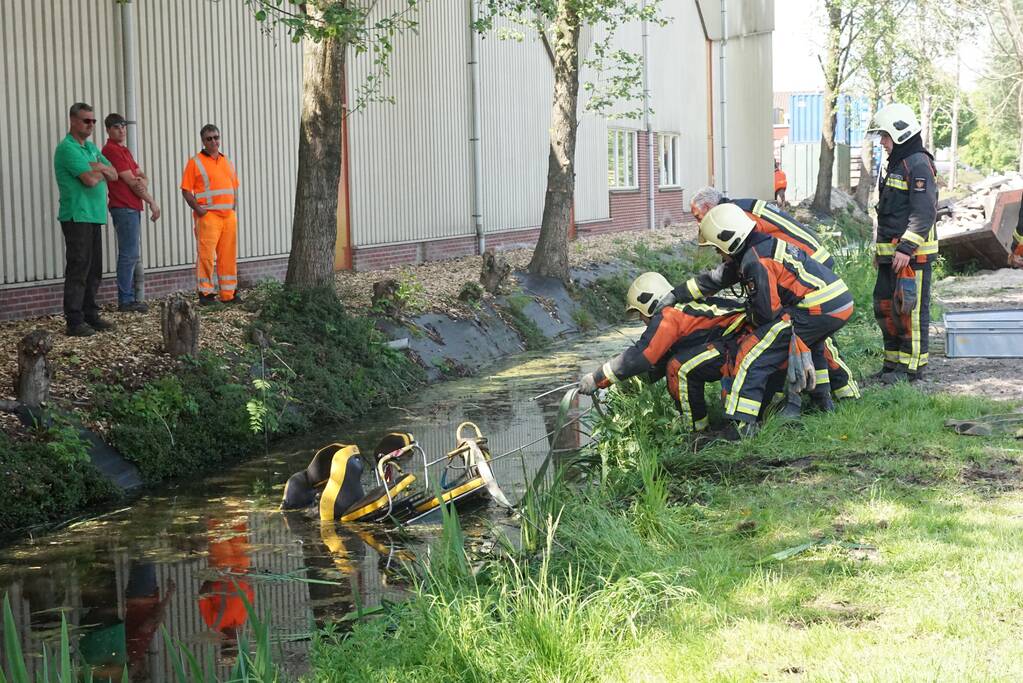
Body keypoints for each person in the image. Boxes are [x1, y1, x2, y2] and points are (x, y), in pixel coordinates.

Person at [667, 186, 860, 400]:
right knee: (809, 337)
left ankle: (815, 395)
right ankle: (825, 397)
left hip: (806, 270)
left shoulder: (736, 219)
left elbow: (737, 269)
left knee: (798, 334)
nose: (699, 223)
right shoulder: (740, 207)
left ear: (708, 207)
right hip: (808, 265)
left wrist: (680, 293)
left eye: (698, 217)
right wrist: (684, 291)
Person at [577, 272, 748, 433]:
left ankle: (696, 432)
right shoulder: (681, 309)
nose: (642, 320)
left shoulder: (669, 315)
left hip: (741, 340)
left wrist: (597, 378)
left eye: (640, 314)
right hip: (740, 338)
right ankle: (701, 428)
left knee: (679, 368)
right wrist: (619, 387)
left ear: (649, 304)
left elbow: (641, 356)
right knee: (675, 363)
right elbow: (655, 365)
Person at [866, 103, 938, 383]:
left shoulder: (918, 164)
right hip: (890, 256)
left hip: (912, 258)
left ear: (899, 133)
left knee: (911, 312)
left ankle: (913, 372)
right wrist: (880, 252)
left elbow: (924, 212)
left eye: (884, 136)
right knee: (886, 308)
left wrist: (906, 248)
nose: (882, 143)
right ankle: (892, 366)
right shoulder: (896, 164)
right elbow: (889, 212)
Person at [53, 102, 118, 337]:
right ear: (73, 121)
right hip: (76, 215)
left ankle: (91, 314)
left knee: (94, 270)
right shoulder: (67, 149)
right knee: (79, 268)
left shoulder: (91, 148)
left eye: (93, 121)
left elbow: (114, 174)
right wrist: (98, 171)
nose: (91, 125)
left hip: (94, 215)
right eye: (86, 120)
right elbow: (89, 181)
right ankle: (74, 320)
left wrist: (97, 166)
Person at [102, 113, 161, 313]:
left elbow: (142, 177)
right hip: (123, 207)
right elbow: (133, 181)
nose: (122, 130)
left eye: (124, 127)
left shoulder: (124, 150)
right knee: (129, 254)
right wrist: (152, 201)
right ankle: (125, 300)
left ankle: (129, 298)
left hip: (132, 207)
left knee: (131, 253)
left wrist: (140, 180)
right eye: (117, 127)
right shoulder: (112, 150)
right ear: (108, 129)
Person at [181, 124, 241, 304]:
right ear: (203, 141)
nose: (214, 141)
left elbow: (234, 186)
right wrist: (199, 210)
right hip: (209, 217)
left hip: (228, 217)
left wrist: (233, 208)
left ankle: (228, 294)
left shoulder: (226, 160)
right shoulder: (195, 162)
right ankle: (206, 294)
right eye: (209, 138)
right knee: (206, 256)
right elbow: (185, 190)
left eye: (216, 137)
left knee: (228, 256)